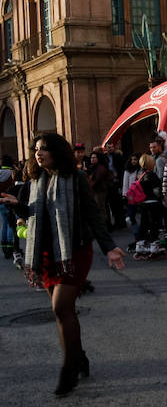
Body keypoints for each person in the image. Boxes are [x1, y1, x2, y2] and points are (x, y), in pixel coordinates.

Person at [3, 132, 126, 397]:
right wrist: (18, 207)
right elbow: (34, 214)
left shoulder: (77, 178)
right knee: (64, 311)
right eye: (36, 149)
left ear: (57, 152)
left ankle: (68, 370)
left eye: (44, 149)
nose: (39, 153)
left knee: (61, 307)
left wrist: (110, 248)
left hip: (75, 252)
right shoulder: (34, 180)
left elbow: (93, 215)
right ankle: (79, 357)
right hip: (46, 255)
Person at [134, 154, 164, 257]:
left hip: (143, 203)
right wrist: (161, 198)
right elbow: (157, 191)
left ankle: (140, 245)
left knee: (143, 223)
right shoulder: (152, 175)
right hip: (153, 202)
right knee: (153, 224)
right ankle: (153, 245)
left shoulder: (140, 174)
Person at [87, 150, 113, 229]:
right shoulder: (94, 167)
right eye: (91, 158)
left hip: (100, 190)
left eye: (94, 158)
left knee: (100, 207)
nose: (92, 159)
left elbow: (97, 179)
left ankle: (103, 226)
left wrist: (90, 185)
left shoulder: (101, 168)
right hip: (96, 190)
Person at [121, 152, 141, 249]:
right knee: (130, 218)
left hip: (140, 197)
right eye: (132, 159)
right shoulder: (128, 170)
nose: (133, 161)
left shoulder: (140, 170)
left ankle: (139, 237)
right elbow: (125, 184)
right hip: (131, 197)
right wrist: (124, 196)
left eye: (135, 159)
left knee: (138, 217)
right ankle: (137, 236)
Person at [0, 154, 15, 259]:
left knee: (4, 224)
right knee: (10, 224)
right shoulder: (12, 174)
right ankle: (10, 246)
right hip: (10, 201)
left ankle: (3, 246)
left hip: (0, 202)